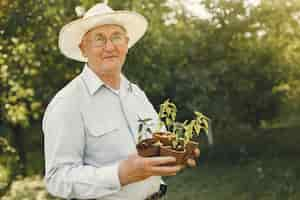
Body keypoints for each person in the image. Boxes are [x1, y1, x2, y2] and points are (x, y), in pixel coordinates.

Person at [42, 3, 200, 200]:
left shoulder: (136, 94)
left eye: (116, 36)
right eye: (99, 39)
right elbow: (57, 179)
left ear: (126, 43)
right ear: (83, 48)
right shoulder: (68, 103)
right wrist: (120, 174)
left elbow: (156, 142)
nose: (110, 47)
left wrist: (178, 152)